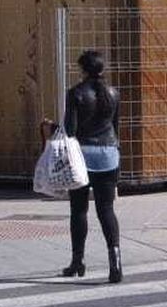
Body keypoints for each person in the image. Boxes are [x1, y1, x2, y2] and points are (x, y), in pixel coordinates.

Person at [42, 49, 123, 283]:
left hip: (81, 157)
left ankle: (77, 262)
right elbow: (115, 129)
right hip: (109, 155)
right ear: (102, 69)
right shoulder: (114, 94)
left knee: (78, 210)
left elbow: (70, 130)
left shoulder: (76, 93)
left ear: (83, 70)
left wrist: (50, 127)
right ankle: (115, 261)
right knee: (106, 210)